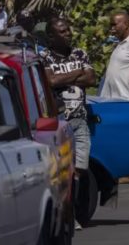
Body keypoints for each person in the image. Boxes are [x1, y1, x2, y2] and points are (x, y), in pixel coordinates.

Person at [41, 18, 96, 230]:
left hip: (80, 120)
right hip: (59, 122)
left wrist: (63, 77)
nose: (68, 34)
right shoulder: (45, 57)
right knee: (61, 172)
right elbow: (50, 82)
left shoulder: (79, 53)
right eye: (62, 32)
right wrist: (76, 74)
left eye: (68, 30)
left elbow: (91, 78)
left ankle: (72, 210)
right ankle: (66, 216)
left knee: (80, 169)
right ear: (52, 37)